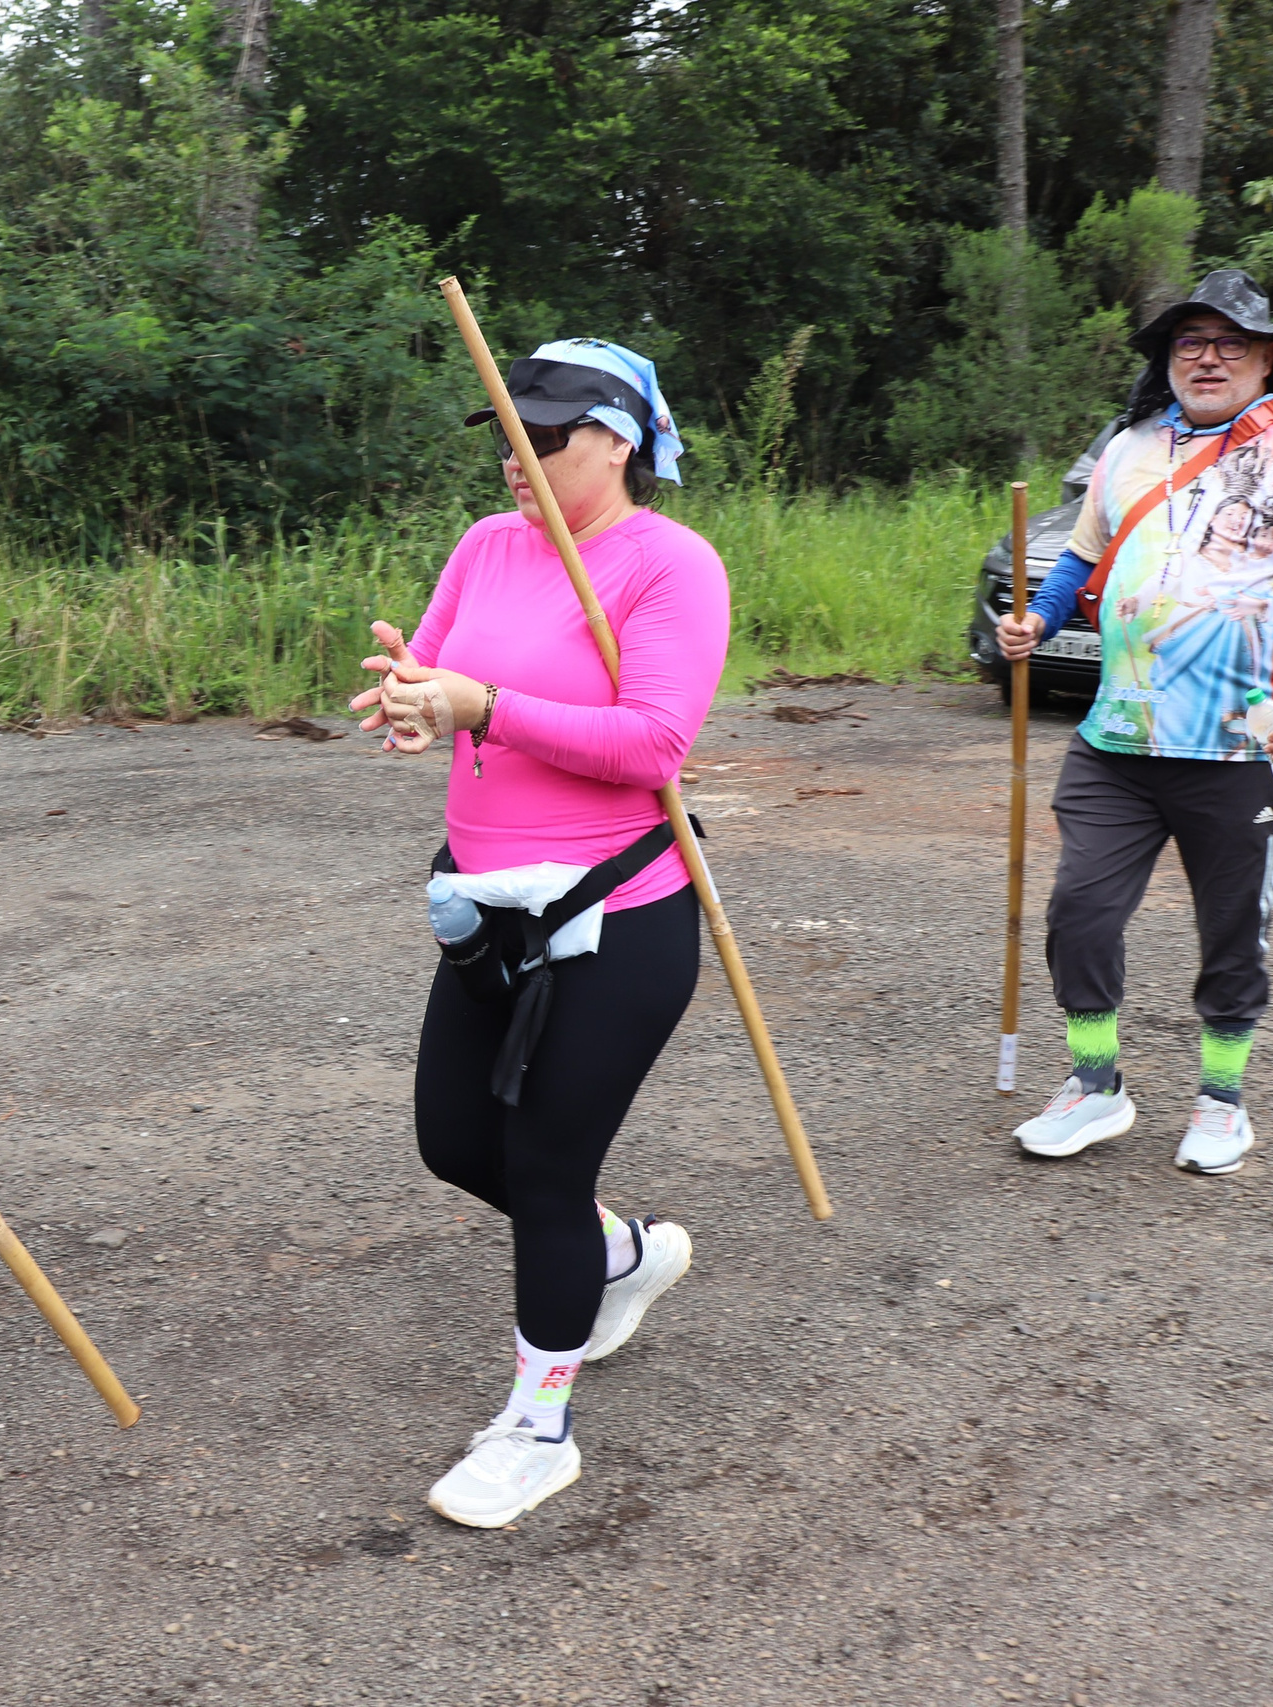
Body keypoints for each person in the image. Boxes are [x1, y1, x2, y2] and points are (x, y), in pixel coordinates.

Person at [349, 340, 723, 1528]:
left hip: (618, 915)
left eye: (542, 434)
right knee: (457, 1145)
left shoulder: (672, 566)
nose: (516, 456)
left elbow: (654, 744)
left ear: (615, 441)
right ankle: (619, 1256)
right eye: (506, 432)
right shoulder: (484, 543)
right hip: (486, 907)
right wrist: (415, 703)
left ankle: (537, 1425)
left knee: (546, 1168)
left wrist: (482, 708)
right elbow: (441, 673)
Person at [995, 270, 1273, 1176]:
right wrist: (1036, 619)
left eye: (1229, 343)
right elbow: (1083, 555)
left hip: (1240, 747)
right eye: (1188, 343)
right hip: (1115, 741)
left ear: (1267, 357)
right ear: (1166, 361)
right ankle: (1095, 1085)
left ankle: (1222, 1101)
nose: (1206, 358)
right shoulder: (1127, 450)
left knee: (1233, 931)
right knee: (1079, 912)